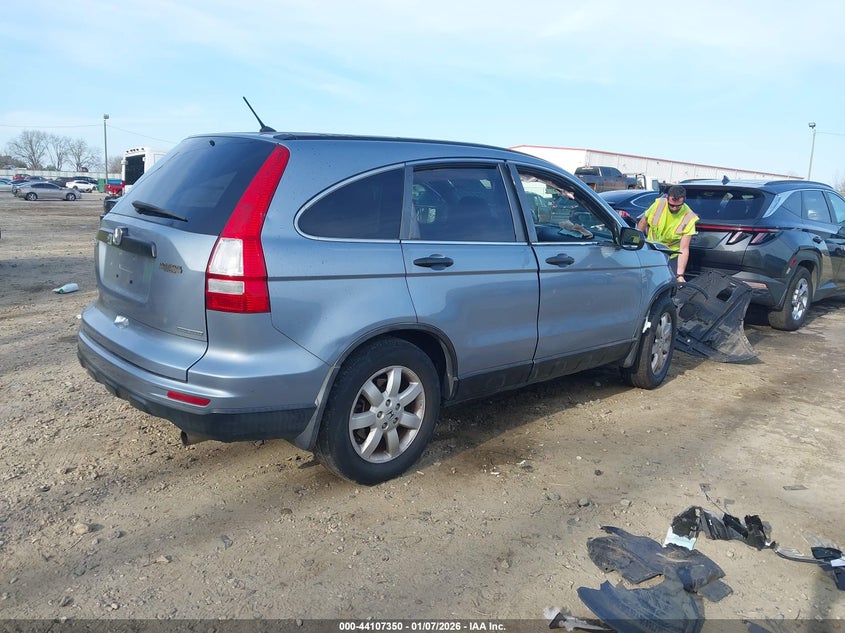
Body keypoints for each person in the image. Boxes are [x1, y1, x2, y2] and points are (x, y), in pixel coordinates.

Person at [637, 185, 698, 282]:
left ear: (684, 200)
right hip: (650, 251)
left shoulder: (688, 217)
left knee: (667, 283)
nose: (674, 208)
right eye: (672, 205)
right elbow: (643, 222)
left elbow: (684, 248)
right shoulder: (658, 204)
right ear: (667, 198)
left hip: (670, 256)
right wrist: (635, 242)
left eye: (678, 206)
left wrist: (680, 275)